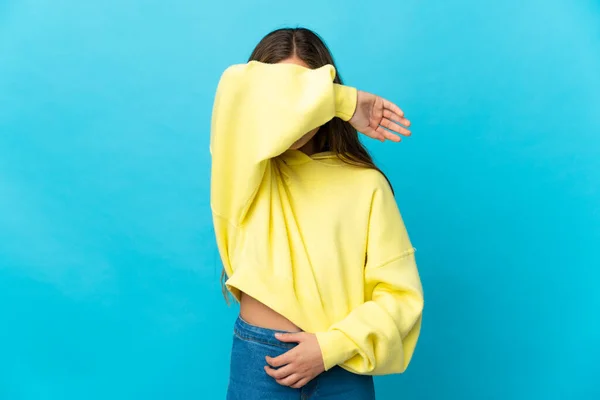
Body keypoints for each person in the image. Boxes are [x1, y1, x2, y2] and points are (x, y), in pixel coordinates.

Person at [210, 27, 424, 400]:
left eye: (303, 93)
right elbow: (235, 89)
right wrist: (346, 101)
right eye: (282, 95)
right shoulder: (246, 171)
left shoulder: (365, 185)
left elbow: (400, 298)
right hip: (261, 363)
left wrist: (330, 348)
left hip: (344, 366)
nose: (291, 112)